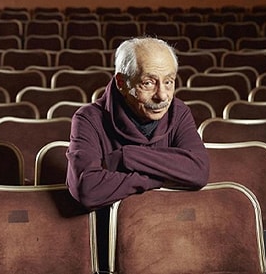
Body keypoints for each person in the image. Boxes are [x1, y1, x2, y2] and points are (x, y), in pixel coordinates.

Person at [66, 36, 210, 210]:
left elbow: (198, 171)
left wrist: (126, 157)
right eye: (148, 83)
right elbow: (88, 190)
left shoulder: (179, 112)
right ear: (121, 83)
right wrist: (163, 178)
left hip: (170, 224)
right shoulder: (88, 118)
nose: (162, 96)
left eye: (168, 82)